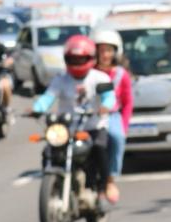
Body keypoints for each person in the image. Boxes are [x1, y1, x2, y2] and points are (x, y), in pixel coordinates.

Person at [32, 35, 116, 202]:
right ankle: (54, 185)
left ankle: (105, 185)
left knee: (99, 149)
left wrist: (105, 107)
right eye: (73, 59)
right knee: (48, 151)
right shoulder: (60, 79)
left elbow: (109, 97)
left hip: (94, 126)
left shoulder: (101, 78)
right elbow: (48, 97)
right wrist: (37, 109)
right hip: (68, 129)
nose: (77, 63)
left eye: (81, 59)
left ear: (91, 58)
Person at [93, 30, 132, 204]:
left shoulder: (120, 74)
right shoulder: (88, 72)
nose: (104, 55)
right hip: (89, 116)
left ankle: (110, 179)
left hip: (112, 116)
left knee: (116, 137)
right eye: (100, 50)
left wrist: (123, 125)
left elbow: (127, 102)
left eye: (108, 50)